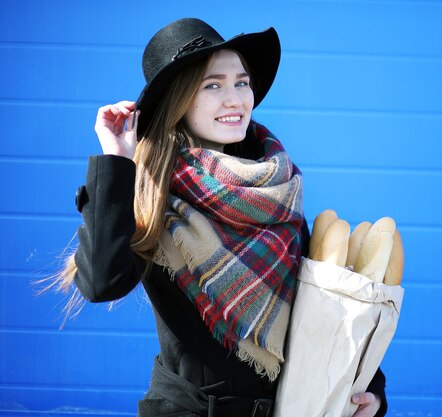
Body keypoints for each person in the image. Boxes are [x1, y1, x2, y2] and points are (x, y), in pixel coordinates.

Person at [52, 18, 387, 417]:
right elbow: (101, 282)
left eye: (241, 82)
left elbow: (317, 303)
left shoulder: (276, 192)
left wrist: (369, 388)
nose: (235, 99)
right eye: (212, 85)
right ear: (178, 100)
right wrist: (115, 162)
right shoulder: (155, 195)